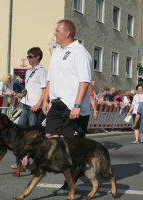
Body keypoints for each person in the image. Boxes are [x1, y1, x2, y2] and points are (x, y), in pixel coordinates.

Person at [42, 19, 92, 196]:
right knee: (50, 139)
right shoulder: (56, 52)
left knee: (73, 147)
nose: (54, 33)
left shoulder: (80, 52)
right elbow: (50, 78)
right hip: (56, 104)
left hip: (73, 107)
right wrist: (45, 99)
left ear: (67, 33)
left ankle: (69, 180)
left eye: (57, 30)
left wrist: (77, 105)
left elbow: (84, 81)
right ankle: (70, 166)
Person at [18, 47, 47, 126]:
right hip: (27, 104)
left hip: (35, 106)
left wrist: (38, 105)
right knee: (20, 127)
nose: (28, 59)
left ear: (37, 57)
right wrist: (25, 91)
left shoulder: (42, 71)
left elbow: (45, 89)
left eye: (30, 56)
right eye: (28, 57)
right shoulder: (28, 71)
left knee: (33, 130)